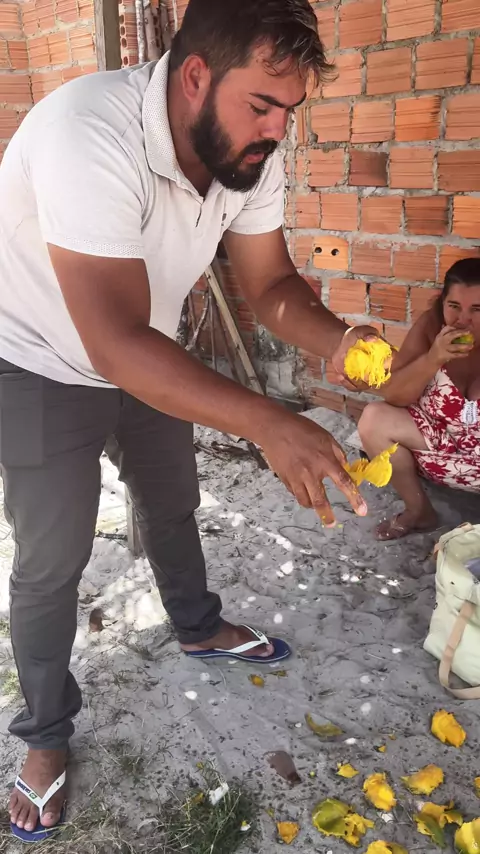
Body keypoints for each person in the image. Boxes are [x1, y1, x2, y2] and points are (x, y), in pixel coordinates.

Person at [0, 0, 379, 839]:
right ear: (196, 75)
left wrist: (340, 340)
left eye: (290, 110)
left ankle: (198, 627)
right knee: (52, 560)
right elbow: (112, 340)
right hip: (36, 359)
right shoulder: (86, 132)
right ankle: (46, 734)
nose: (278, 130)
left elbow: (270, 285)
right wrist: (269, 423)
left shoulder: (247, 150)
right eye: (263, 105)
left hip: (145, 349)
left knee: (171, 503)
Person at [359, 259, 480, 541]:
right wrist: (433, 358)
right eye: (454, 306)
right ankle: (419, 511)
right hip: (439, 450)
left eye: (477, 309)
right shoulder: (430, 326)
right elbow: (394, 395)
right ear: (442, 303)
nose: (463, 320)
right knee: (374, 418)